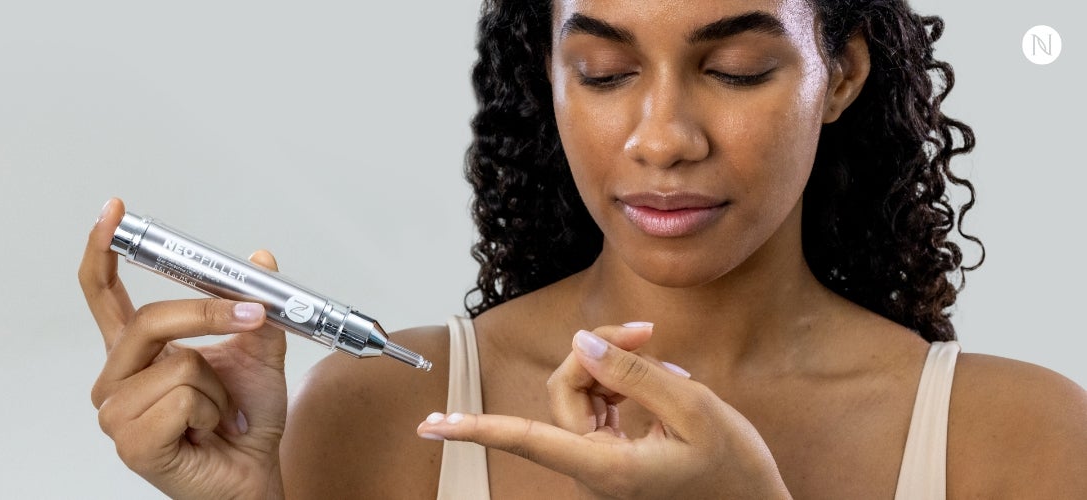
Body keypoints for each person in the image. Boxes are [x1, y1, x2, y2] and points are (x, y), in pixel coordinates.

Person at [81, 0, 1087, 498]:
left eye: (735, 69)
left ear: (844, 74)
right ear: (549, 75)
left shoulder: (1020, 436)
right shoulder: (382, 410)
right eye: (603, 72)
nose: (661, 136)